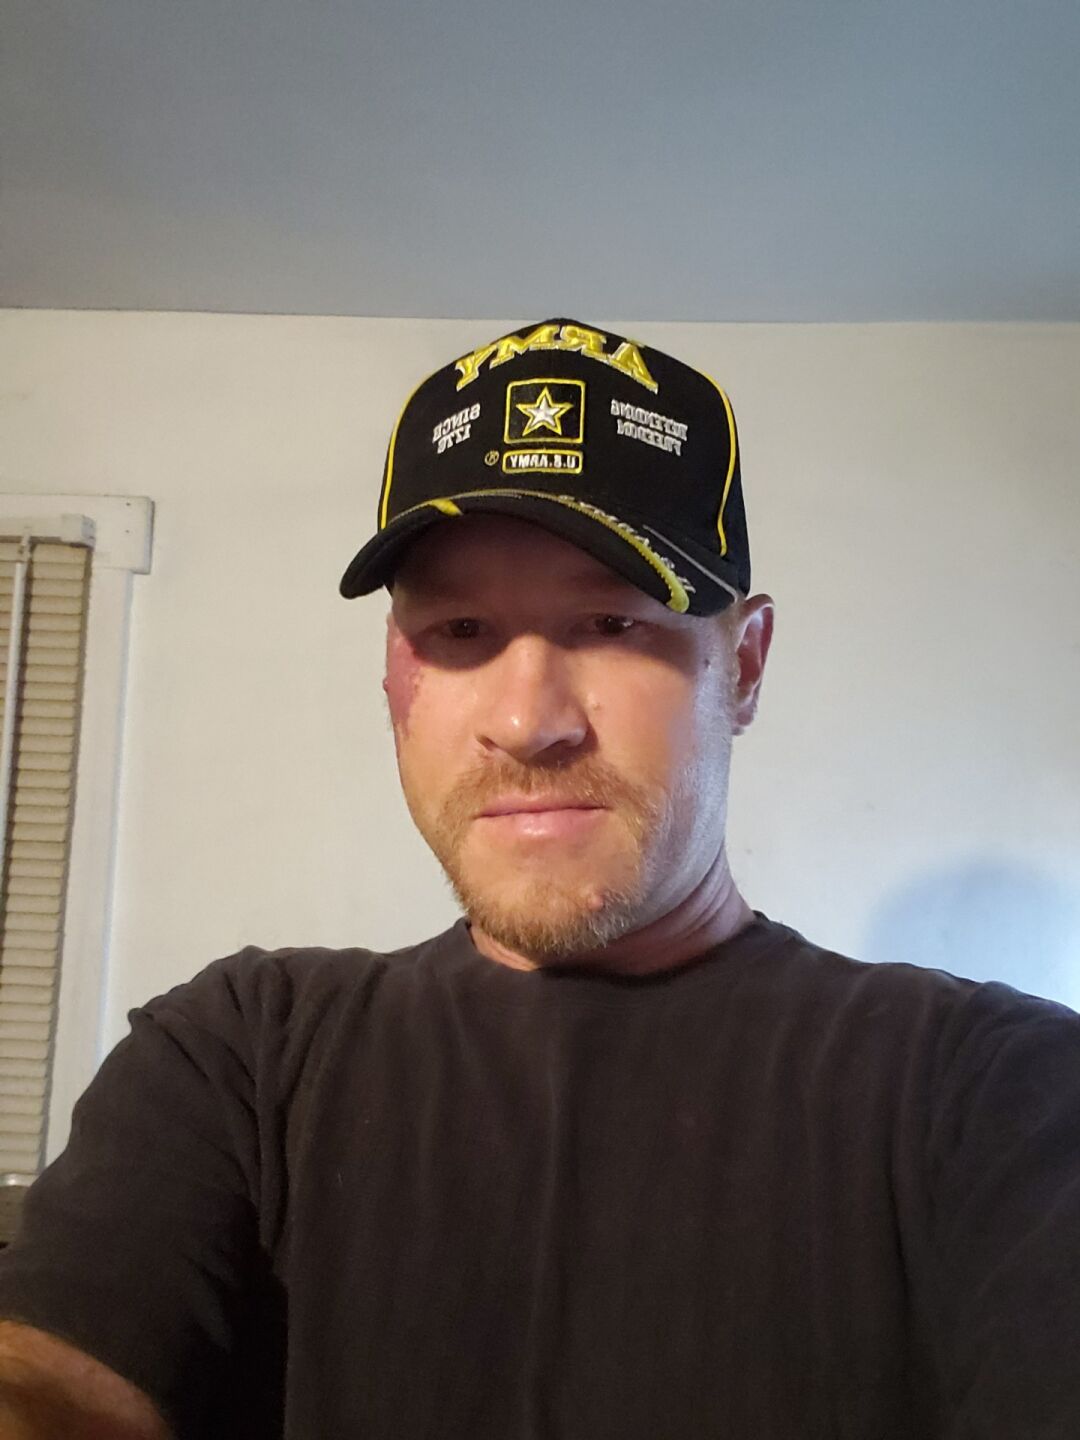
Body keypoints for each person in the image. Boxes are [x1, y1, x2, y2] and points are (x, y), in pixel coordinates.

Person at [0, 317, 1077, 1439]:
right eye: (461, 629)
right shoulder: (239, 1057)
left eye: (611, 624)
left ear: (745, 666)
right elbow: (51, 1378)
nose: (527, 722)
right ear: (396, 677)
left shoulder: (998, 1093)